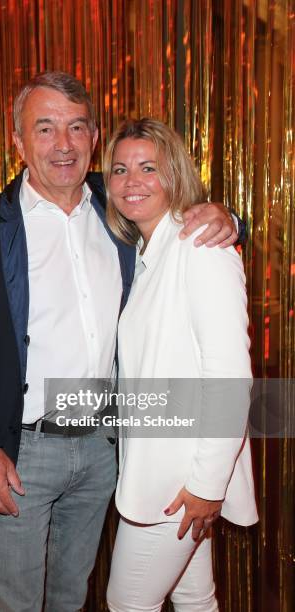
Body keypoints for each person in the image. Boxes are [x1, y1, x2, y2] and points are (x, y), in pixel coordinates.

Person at [0, 73, 240, 612]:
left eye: (76, 128)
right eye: (44, 128)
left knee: (73, 596)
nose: (63, 144)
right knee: (17, 603)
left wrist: (231, 218)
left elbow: (188, 224)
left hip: (105, 450)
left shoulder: (118, 204)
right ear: (19, 141)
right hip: (18, 453)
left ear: (94, 136)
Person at [103, 118, 258, 612]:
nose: (132, 181)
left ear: (176, 175)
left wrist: (209, 483)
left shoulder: (200, 247)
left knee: (127, 603)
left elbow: (230, 373)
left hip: (181, 483)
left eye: (149, 167)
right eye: (120, 169)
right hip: (164, 473)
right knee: (194, 598)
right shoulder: (151, 252)